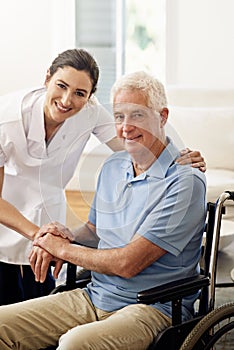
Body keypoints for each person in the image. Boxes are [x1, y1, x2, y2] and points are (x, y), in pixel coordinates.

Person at [0, 71, 207, 350]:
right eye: (119, 116)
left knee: (75, 343)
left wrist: (61, 249)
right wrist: (63, 236)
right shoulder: (113, 167)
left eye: (138, 115)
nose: (125, 127)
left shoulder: (185, 180)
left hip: (151, 307)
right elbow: (95, 231)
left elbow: (127, 263)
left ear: (163, 116)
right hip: (96, 295)